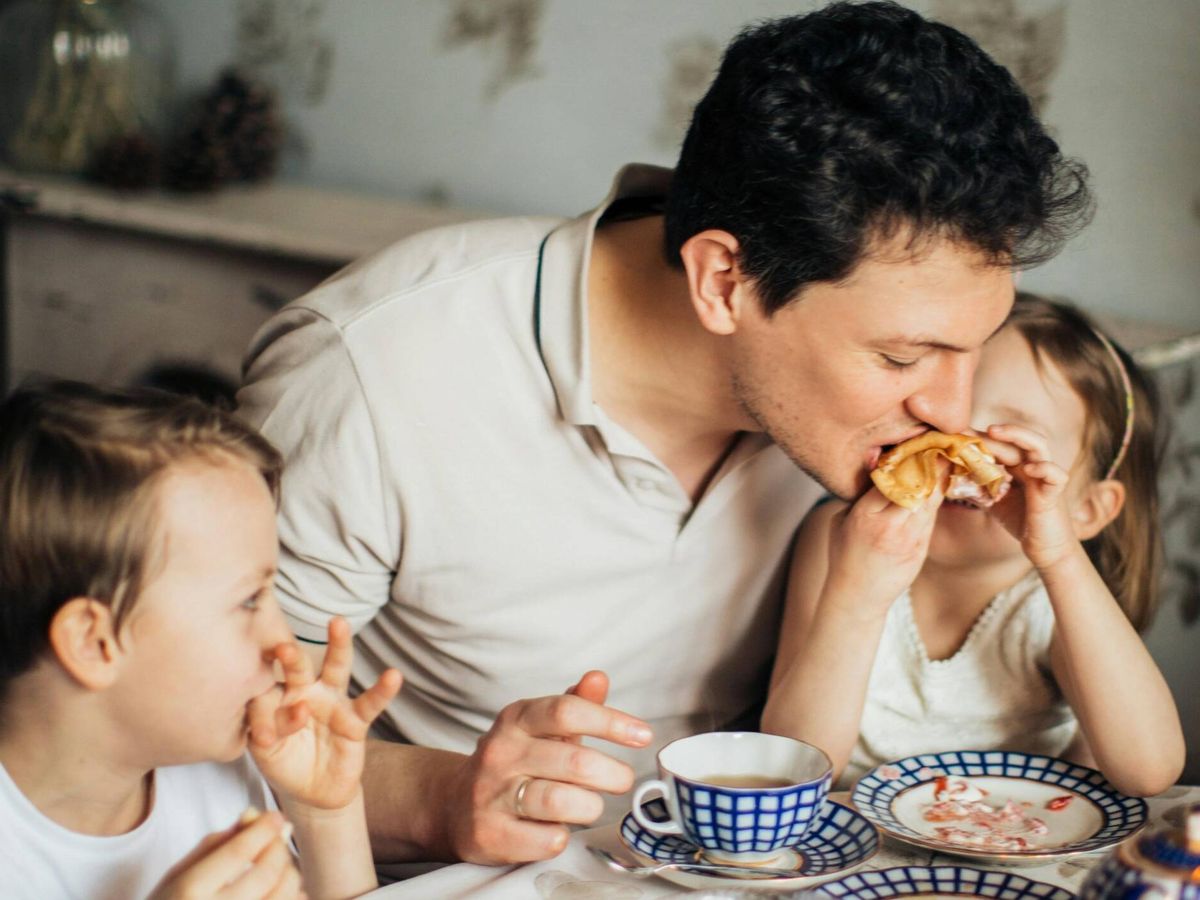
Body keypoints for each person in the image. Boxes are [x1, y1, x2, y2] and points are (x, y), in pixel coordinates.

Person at [236, 1, 1093, 864]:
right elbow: (212, 739)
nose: (953, 410)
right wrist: (444, 797)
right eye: (904, 357)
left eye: (971, 352)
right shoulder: (368, 373)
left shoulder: (852, 420)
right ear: (724, 280)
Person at [763, 295, 1185, 795]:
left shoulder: (1055, 600)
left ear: (1086, 510)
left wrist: (1060, 556)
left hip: (1020, 846)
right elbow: (792, 771)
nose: (962, 454)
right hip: (864, 847)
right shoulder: (844, 538)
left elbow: (1150, 771)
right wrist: (856, 597)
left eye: (1010, 441)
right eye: (946, 425)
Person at [0, 381, 401, 899]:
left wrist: (326, 814)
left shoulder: (216, 766)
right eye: (248, 601)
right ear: (95, 644)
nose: (284, 643)